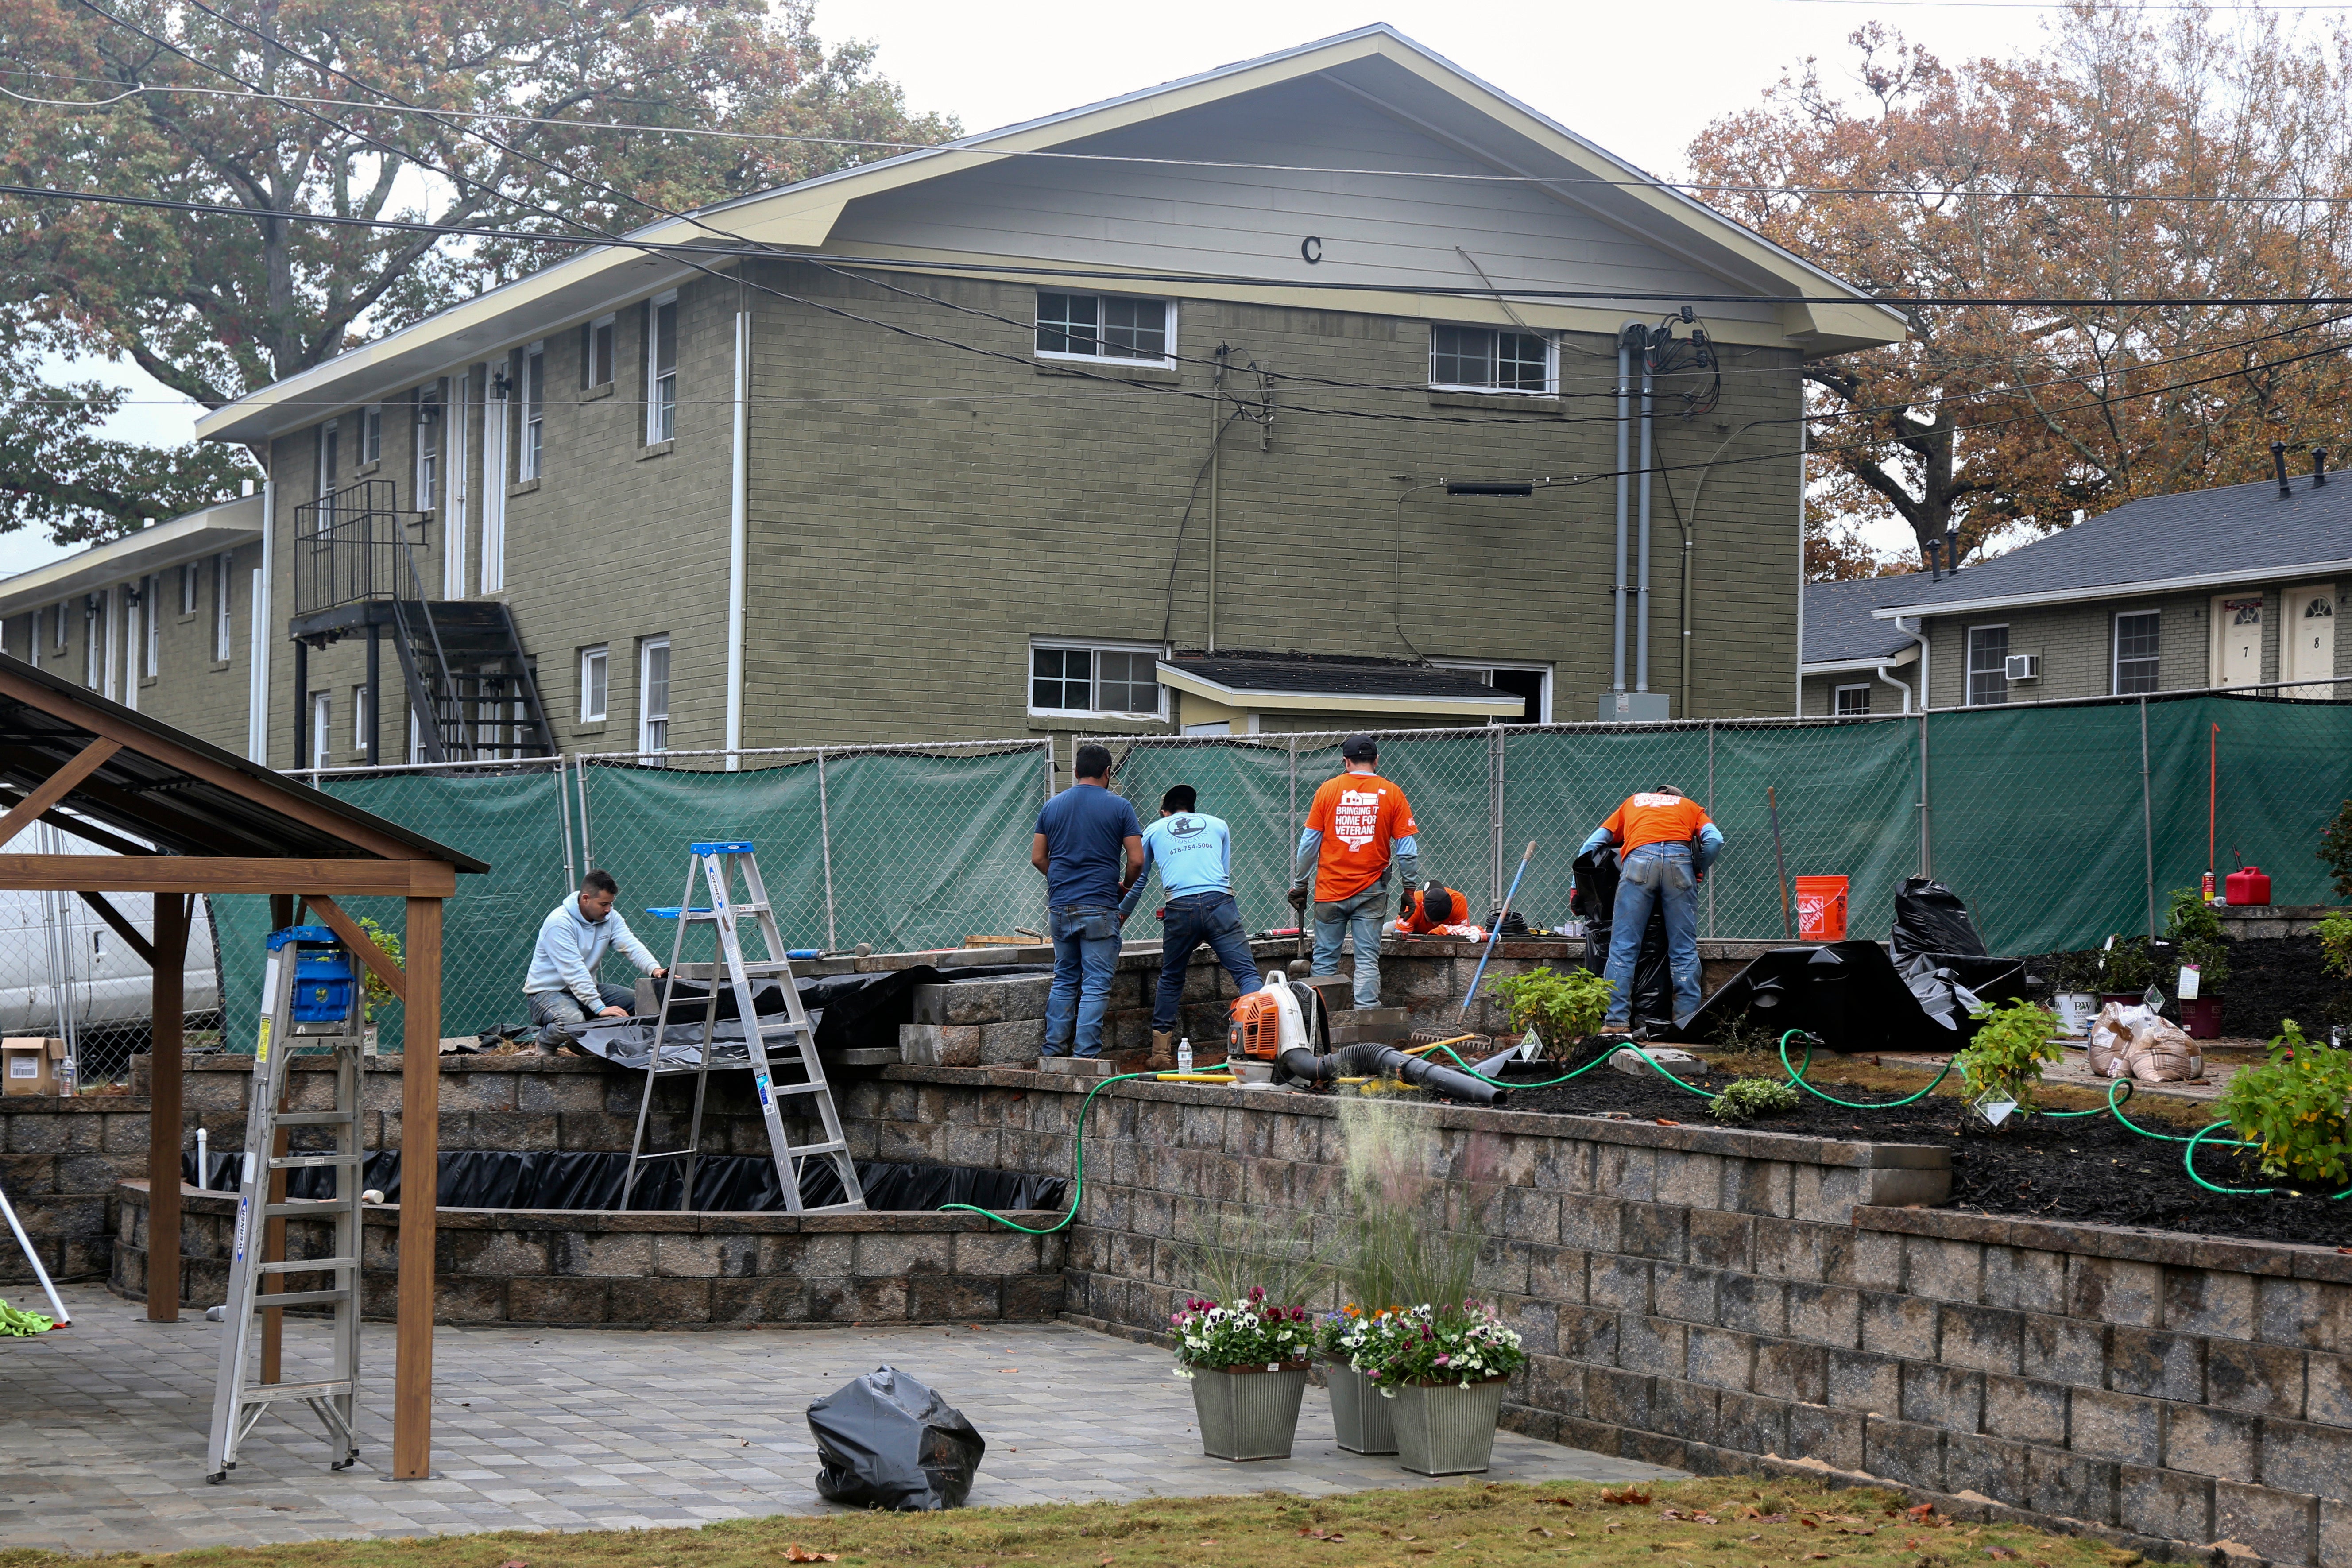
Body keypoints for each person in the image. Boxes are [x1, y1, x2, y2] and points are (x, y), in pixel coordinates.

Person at [1118, 783, 1261, 1065]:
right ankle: (1260, 1043)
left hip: (1180, 908)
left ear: (1164, 812)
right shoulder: (1219, 825)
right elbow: (1223, 873)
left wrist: (1121, 916)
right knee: (1246, 974)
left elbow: (1139, 881)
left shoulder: (1155, 829)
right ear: (1192, 810)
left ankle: (1160, 1055)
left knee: (1171, 978)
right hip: (1220, 903)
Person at [1578, 785, 1724, 1034]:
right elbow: (1715, 840)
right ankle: (1686, 1023)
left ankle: (1616, 1022)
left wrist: (1577, 887)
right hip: (1680, 863)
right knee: (1684, 948)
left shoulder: (1633, 802)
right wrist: (1698, 868)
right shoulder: (1690, 807)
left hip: (1639, 861)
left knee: (1624, 945)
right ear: (1676, 799)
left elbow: (1591, 845)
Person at [1288, 734, 1418, 1009]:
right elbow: (1407, 850)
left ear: (1346, 762)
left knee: (1324, 959)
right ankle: (1367, 1019)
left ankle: (1321, 1023)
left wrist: (1301, 883)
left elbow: (1309, 845)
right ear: (1376, 761)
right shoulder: (1392, 792)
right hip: (1372, 892)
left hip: (1329, 891)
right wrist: (1409, 890)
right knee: (1367, 958)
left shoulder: (1327, 790)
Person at [1031, 743, 1144, 1061]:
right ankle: (1085, 1058)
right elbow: (1137, 860)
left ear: (1076, 772)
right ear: (1108, 772)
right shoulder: (1120, 807)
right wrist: (1125, 886)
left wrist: (1060, 879)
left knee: (1065, 978)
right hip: (1100, 905)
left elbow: (1038, 857)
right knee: (1095, 984)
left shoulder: (1051, 807)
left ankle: (1052, 1052)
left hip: (1060, 906)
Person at [524, 869, 667, 1050]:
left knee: (641, 1003)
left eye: (611, 904)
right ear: (586, 899)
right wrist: (599, 1008)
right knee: (572, 1021)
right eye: (604, 904)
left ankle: (582, 1045)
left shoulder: (610, 917)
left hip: (584, 991)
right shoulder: (559, 923)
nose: (608, 909)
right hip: (547, 994)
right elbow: (574, 971)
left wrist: (655, 969)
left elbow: (631, 945)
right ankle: (545, 1042)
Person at [1389, 883, 1485, 941]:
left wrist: (1441, 930)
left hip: (1444, 934)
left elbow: (1462, 936)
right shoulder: (1414, 903)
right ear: (1423, 906)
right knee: (1387, 929)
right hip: (1415, 930)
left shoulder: (1458, 901)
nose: (1436, 924)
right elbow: (1401, 938)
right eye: (1432, 919)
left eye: (1441, 921)